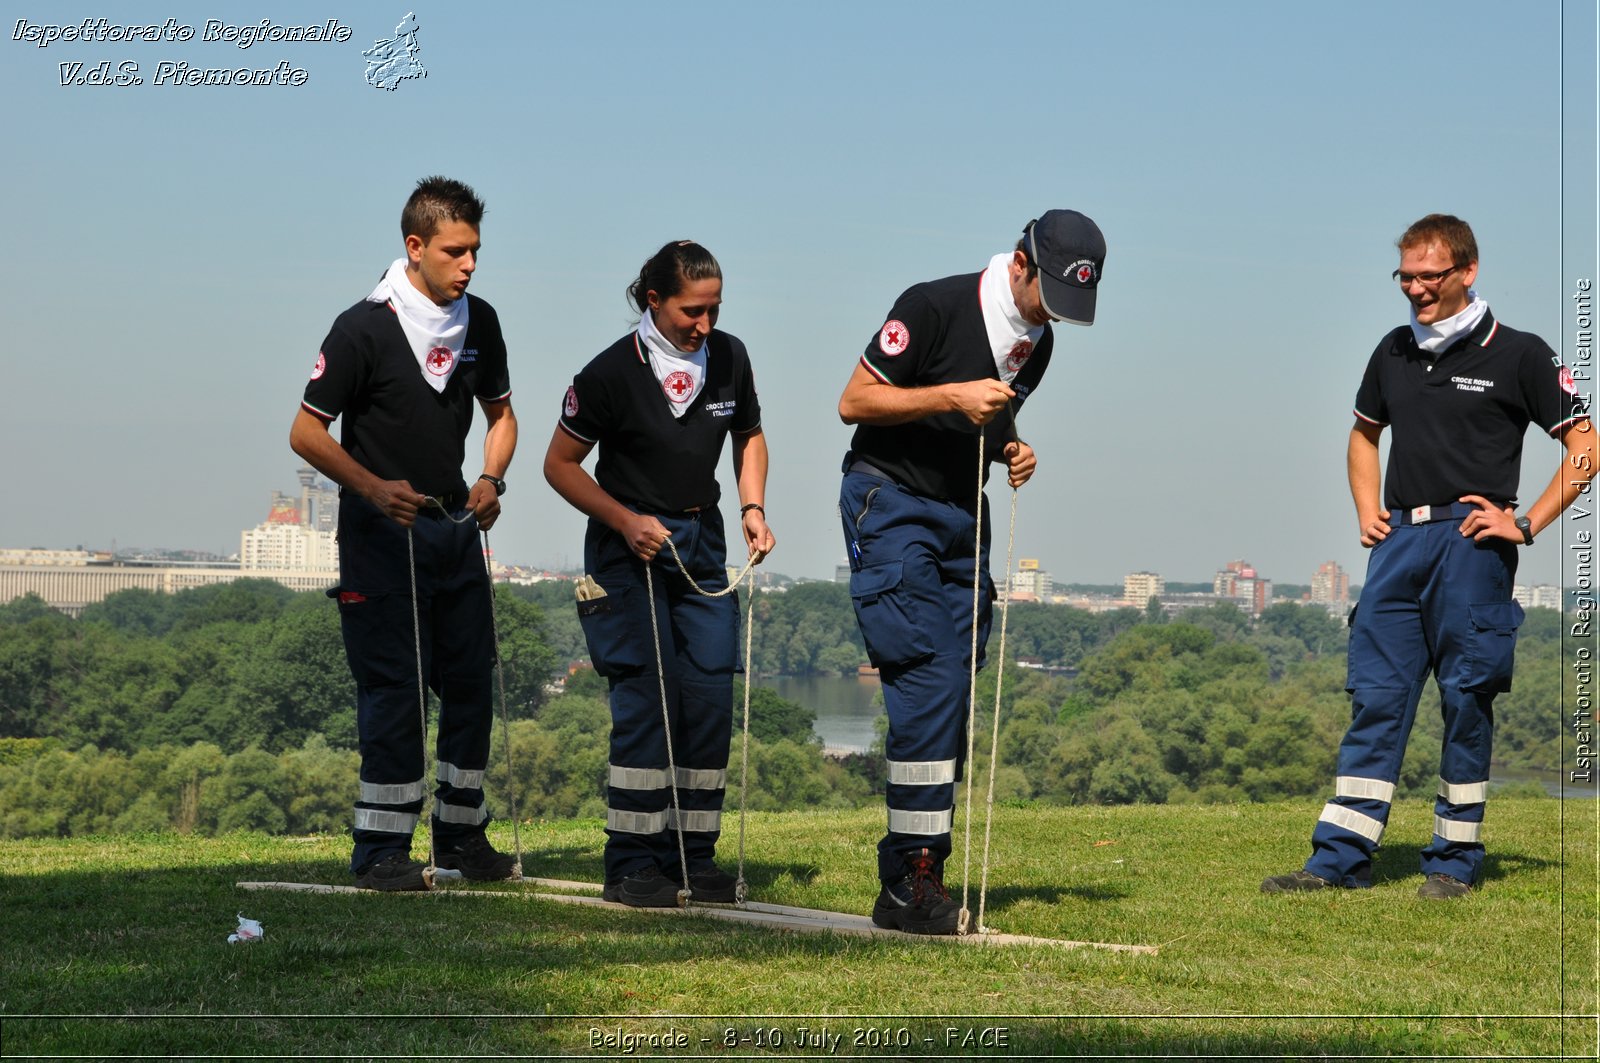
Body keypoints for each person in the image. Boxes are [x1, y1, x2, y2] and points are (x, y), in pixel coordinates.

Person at [1263, 213, 1593, 900]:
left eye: (1429, 276)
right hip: (1398, 545)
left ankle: (1453, 861)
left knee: (1467, 699)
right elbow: (1362, 436)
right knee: (1375, 699)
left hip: (1471, 546)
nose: (1415, 289)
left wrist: (1524, 523)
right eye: (1405, 277)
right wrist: (1365, 508)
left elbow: (1586, 446)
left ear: (1467, 271)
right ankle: (1337, 862)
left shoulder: (1521, 354)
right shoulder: (1391, 351)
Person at [836, 210, 1106, 933]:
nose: (1054, 316)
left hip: (963, 511)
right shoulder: (932, 305)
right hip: (889, 498)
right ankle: (910, 884)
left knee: (954, 682)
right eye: (1049, 294)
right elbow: (854, 401)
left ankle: (918, 870)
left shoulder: (1038, 344)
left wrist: (1012, 448)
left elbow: (991, 420)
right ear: (1021, 262)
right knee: (927, 678)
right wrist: (950, 393)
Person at [290, 176, 520, 891]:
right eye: (456, 251)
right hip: (380, 534)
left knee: (470, 685)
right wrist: (370, 486)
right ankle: (381, 850)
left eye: (476, 250)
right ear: (414, 247)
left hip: (454, 527)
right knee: (394, 691)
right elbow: (304, 432)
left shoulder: (480, 321)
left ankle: (459, 836)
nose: (471, 264)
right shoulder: (361, 327)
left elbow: (503, 415)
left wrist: (491, 479)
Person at [543, 239, 775, 908]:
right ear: (654, 300)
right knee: (647, 701)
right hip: (630, 546)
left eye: (714, 309)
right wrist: (624, 519)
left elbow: (750, 434)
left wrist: (753, 507)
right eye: (691, 312)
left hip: (703, 541)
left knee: (705, 700)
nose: (705, 325)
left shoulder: (731, 358)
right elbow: (559, 465)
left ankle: (692, 857)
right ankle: (632, 863)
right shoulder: (608, 374)